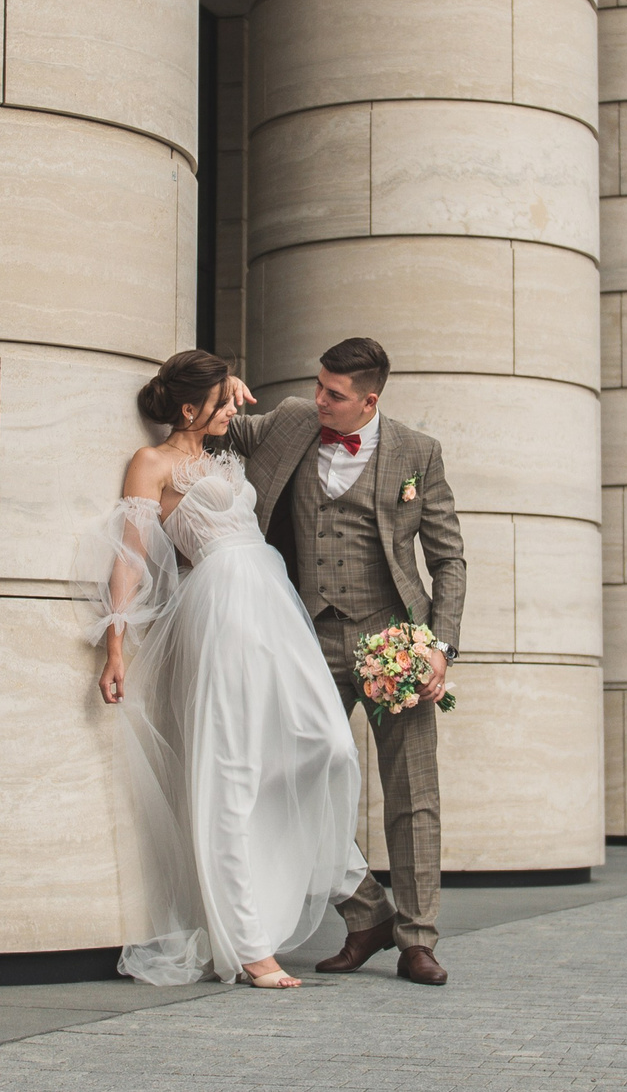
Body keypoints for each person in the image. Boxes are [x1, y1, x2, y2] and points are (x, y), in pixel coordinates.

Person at [86, 350, 365, 988]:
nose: (235, 407)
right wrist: (116, 645)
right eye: (220, 401)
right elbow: (128, 556)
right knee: (231, 768)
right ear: (189, 408)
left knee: (330, 744)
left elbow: (274, 412)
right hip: (220, 605)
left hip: (270, 598)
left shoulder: (223, 453)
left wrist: (228, 383)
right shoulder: (151, 463)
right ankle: (248, 945)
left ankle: (303, 873)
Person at [202, 336, 467, 986]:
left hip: (392, 640)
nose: (319, 399)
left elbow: (448, 558)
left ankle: (417, 939)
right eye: (319, 385)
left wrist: (438, 646)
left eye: (335, 394)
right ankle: (365, 909)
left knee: (413, 793)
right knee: (286, 776)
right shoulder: (293, 419)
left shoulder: (417, 453)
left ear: (369, 399)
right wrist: (225, 382)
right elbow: (210, 429)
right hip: (305, 633)